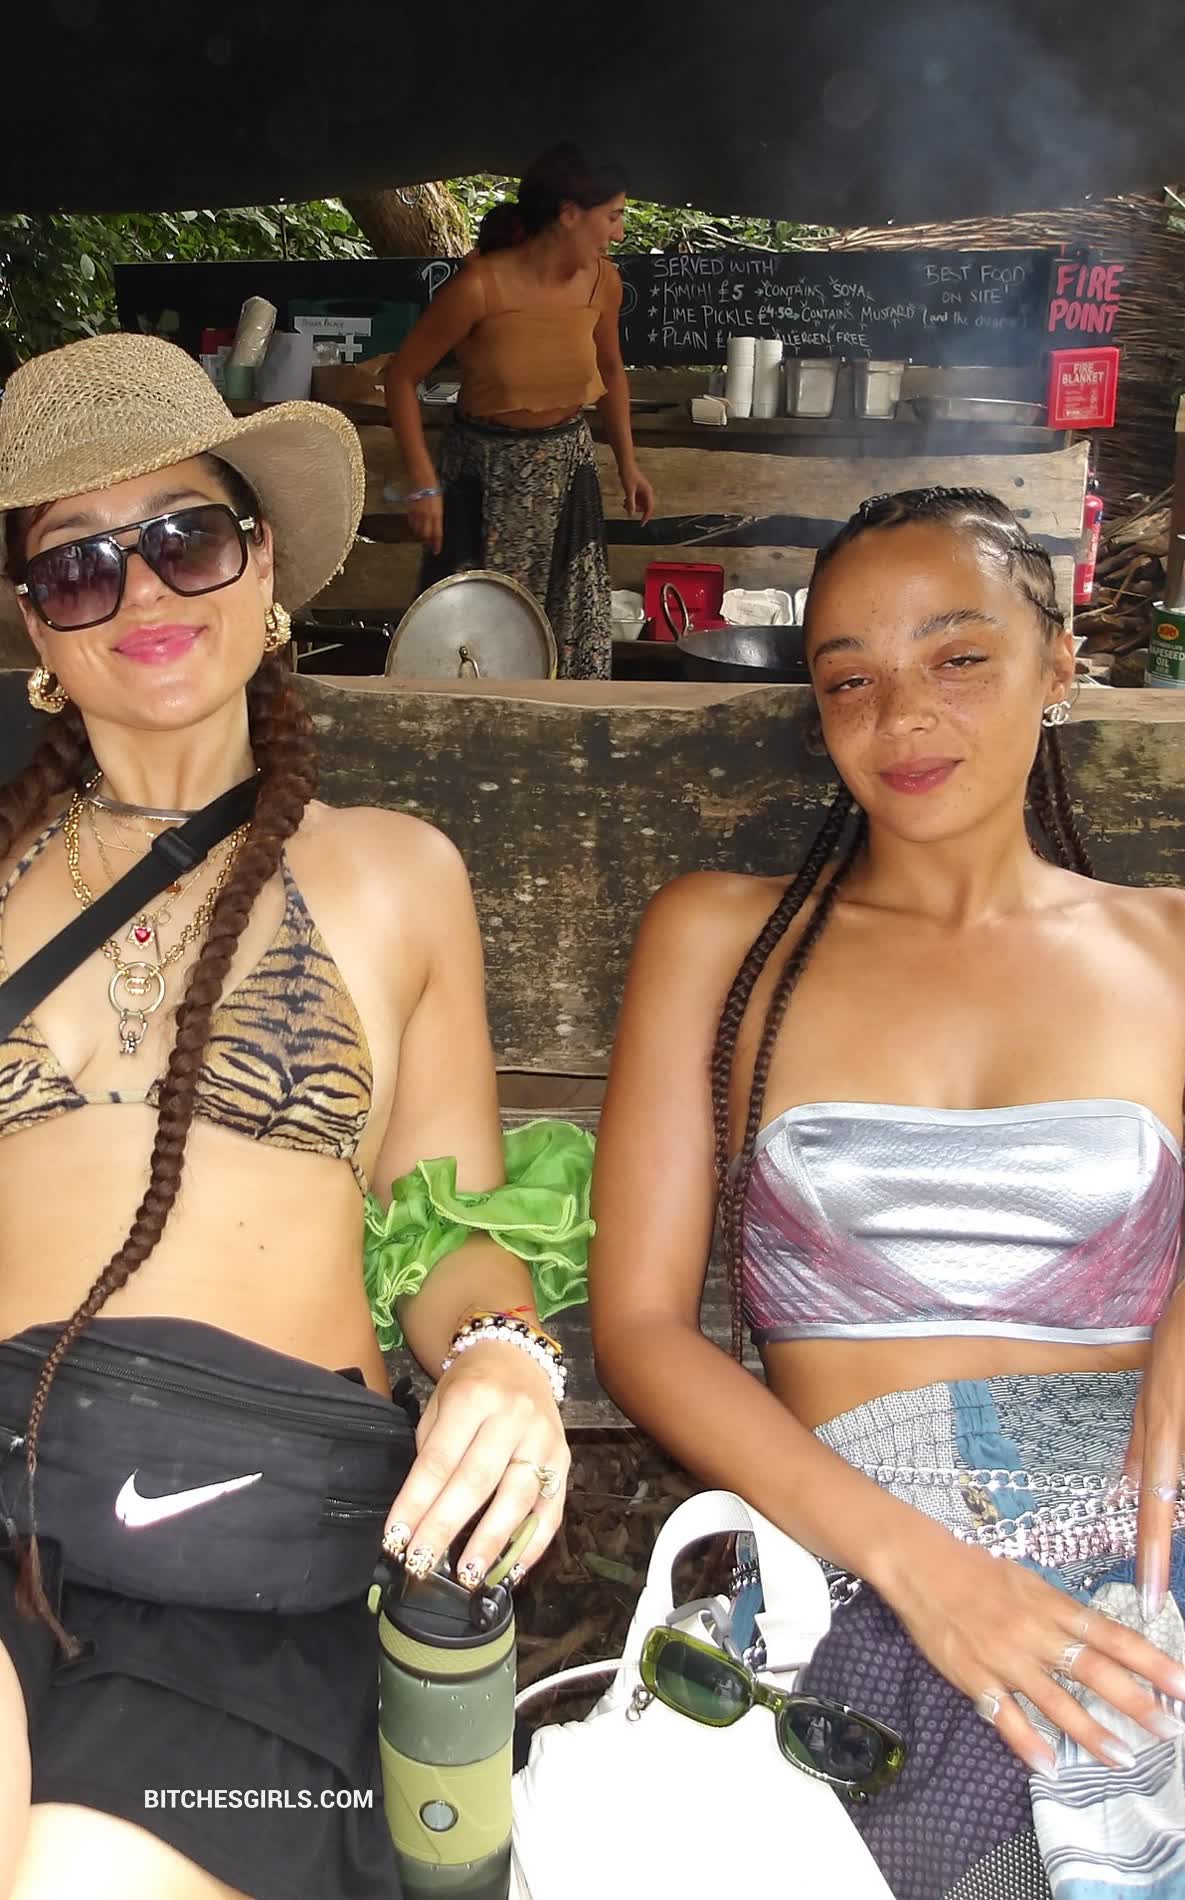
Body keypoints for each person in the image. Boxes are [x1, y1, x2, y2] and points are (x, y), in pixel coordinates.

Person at [589, 487, 1185, 1897]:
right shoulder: (720, 939)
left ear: (1060, 665)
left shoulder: (1181, 949)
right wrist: (923, 1568)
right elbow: (641, 1329)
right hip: (861, 1567)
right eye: (850, 680)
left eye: (959, 657)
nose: (902, 716)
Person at [0, 332, 592, 1900]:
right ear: (35, 629)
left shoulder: (394, 874)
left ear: (263, 566)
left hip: (259, 1561)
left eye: (185, 539)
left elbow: (453, 1235)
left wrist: (507, 1365)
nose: (141, 592)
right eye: (77, 566)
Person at [385, 142, 655, 680]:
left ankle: (569, 727)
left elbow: (612, 371)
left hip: (566, 470)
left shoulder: (603, 282)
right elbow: (401, 377)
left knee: (572, 627)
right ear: (570, 213)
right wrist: (423, 484)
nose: (619, 233)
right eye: (612, 216)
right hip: (483, 475)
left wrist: (629, 464)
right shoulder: (479, 286)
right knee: (476, 635)